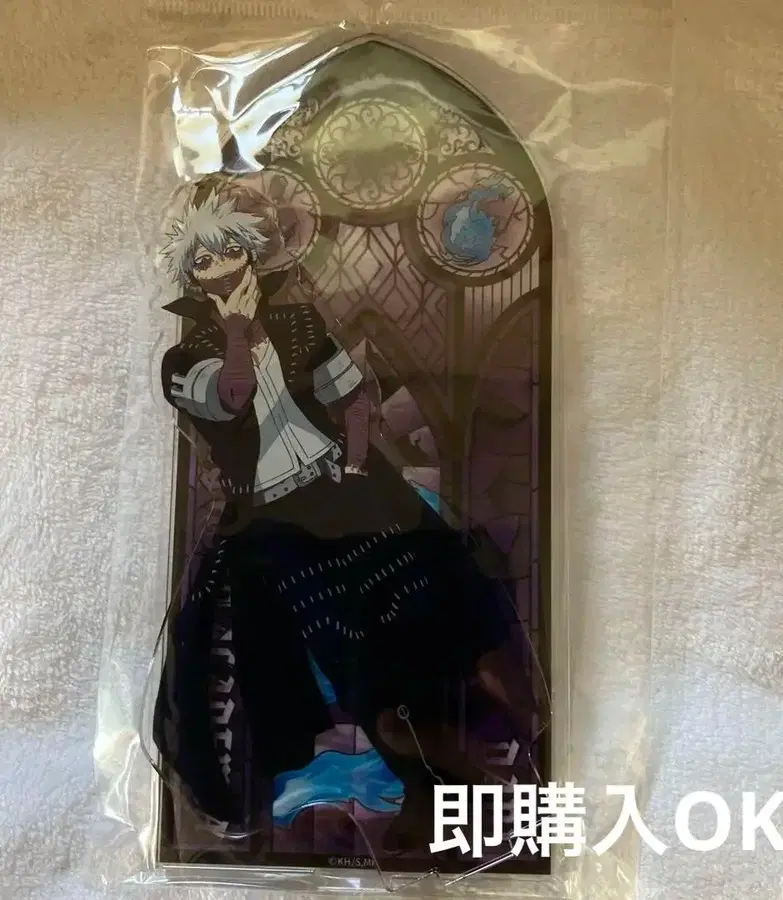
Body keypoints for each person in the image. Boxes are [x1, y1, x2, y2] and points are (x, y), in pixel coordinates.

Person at [153, 174, 540, 852]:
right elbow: (232, 398)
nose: (221, 269)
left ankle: (499, 751)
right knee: (350, 659)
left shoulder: (301, 323)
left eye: (230, 252)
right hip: (278, 521)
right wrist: (238, 332)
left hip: (351, 490)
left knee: (444, 613)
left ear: (251, 255)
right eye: (205, 260)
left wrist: (358, 463)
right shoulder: (185, 360)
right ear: (192, 274)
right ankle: (420, 787)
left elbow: (352, 396)